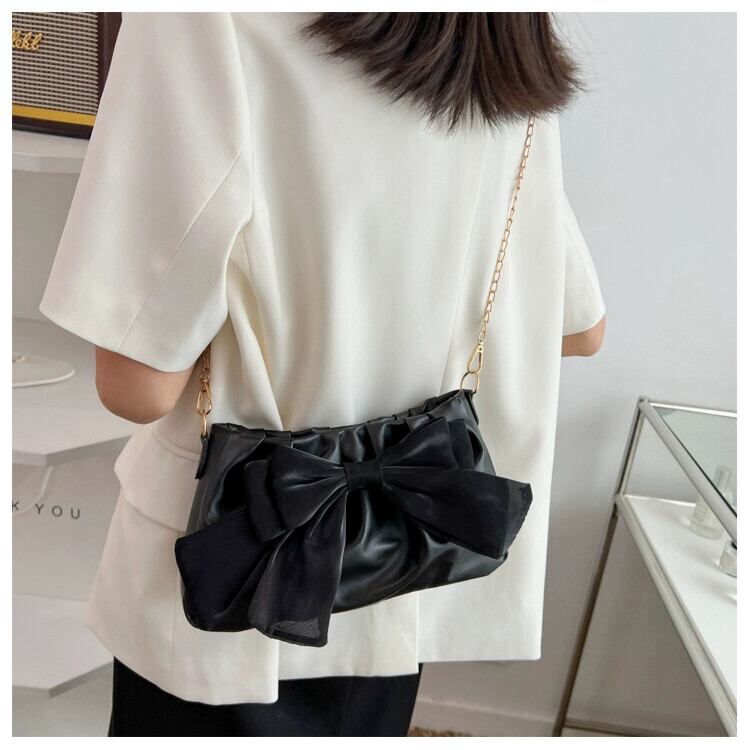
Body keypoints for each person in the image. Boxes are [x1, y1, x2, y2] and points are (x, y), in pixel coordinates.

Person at [38, 12, 606, 736]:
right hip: (404, 562)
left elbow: (136, 387)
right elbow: (581, 330)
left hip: (229, 572)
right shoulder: (505, 30)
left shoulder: (202, 19)